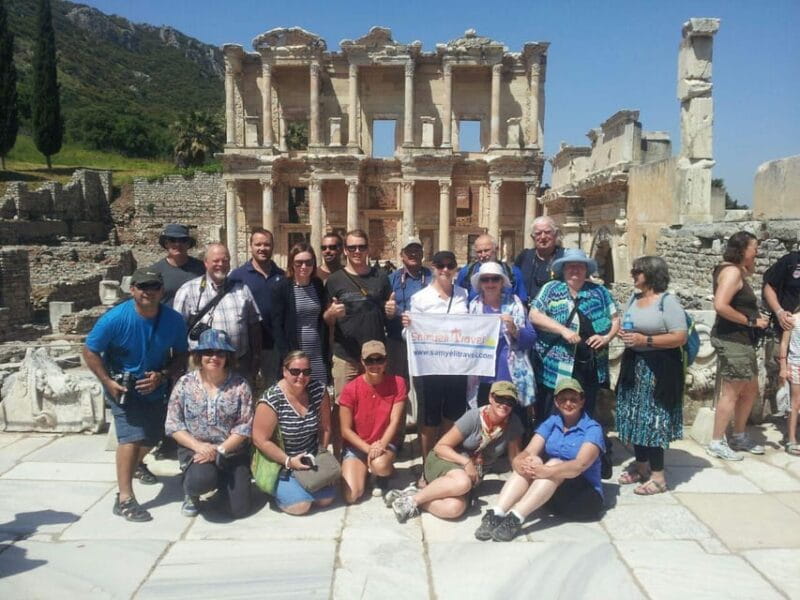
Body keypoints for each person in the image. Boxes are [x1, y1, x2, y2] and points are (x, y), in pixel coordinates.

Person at [83, 269, 188, 522]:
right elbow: (90, 350)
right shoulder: (116, 318)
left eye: (153, 286)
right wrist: (107, 381)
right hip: (123, 388)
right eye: (142, 286)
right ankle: (125, 498)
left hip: (155, 388)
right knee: (130, 438)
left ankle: (134, 465)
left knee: (152, 437)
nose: (147, 292)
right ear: (132, 289)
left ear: (162, 291)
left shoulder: (173, 320)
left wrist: (162, 375)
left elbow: (182, 355)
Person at [473, 378, 604, 542]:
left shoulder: (592, 429)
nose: (568, 403)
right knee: (532, 459)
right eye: (563, 399)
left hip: (583, 499)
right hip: (552, 494)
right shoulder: (553, 422)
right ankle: (496, 513)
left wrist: (547, 471)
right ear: (556, 402)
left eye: (573, 399)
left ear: (582, 401)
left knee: (555, 464)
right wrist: (521, 463)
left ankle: (516, 517)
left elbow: (579, 465)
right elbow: (528, 451)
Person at [389, 381, 523, 523]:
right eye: (500, 399)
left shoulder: (513, 423)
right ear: (491, 397)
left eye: (510, 401)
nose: (504, 404)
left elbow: (515, 458)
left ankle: (417, 494)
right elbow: (440, 447)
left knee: (454, 509)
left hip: (472, 474)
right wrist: (466, 463)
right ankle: (411, 502)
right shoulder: (474, 417)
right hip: (446, 460)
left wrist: (524, 477)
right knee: (462, 483)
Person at [615, 257, 688, 495]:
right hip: (634, 365)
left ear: (652, 274)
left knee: (653, 419)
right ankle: (641, 465)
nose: (633, 275)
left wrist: (645, 340)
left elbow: (680, 337)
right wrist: (625, 335)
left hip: (659, 369)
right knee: (634, 416)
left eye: (638, 271)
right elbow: (627, 326)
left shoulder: (668, 302)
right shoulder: (634, 299)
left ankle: (658, 477)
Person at [165, 329, 253, 518]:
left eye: (220, 353)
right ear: (199, 356)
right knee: (201, 480)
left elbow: (244, 426)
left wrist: (219, 450)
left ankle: (223, 482)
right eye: (208, 352)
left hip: (230, 451)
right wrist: (199, 446)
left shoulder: (240, 385)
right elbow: (173, 424)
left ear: (227, 357)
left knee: (238, 509)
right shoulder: (185, 383)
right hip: (197, 450)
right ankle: (191, 491)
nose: (214, 357)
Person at [528, 248, 619, 424]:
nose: (575, 270)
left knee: (586, 404)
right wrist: (563, 330)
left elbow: (615, 319)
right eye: (570, 266)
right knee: (552, 407)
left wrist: (606, 338)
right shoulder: (552, 289)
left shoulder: (600, 292)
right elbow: (534, 315)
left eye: (580, 266)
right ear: (563, 269)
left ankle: (582, 444)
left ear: (586, 269)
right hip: (555, 363)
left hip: (589, 363)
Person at [402, 250, 469, 478]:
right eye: (440, 265)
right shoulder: (420, 298)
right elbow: (408, 335)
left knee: (452, 415)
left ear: (455, 269)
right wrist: (408, 326)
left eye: (450, 265)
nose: (445, 270)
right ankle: (427, 465)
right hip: (429, 366)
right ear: (433, 267)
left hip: (457, 367)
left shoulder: (463, 295)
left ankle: (445, 460)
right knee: (429, 418)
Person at [707, 231, 769, 460]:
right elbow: (721, 305)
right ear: (742, 250)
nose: (757, 252)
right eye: (755, 248)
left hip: (742, 340)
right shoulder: (732, 272)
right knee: (731, 392)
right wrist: (752, 321)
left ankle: (739, 435)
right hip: (732, 340)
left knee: (750, 388)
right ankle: (716, 441)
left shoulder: (732, 270)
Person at [251, 351, 335, 515]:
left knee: (326, 500)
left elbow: (325, 427)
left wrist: (321, 456)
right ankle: (278, 490)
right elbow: (259, 440)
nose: (301, 376)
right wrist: (288, 461)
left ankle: (298, 486)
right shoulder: (272, 399)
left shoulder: (318, 391)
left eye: (306, 372)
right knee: (301, 507)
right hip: (282, 462)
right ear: (284, 371)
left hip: (309, 459)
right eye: (295, 371)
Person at [173, 243, 262, 382]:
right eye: (216, 261)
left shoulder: (242, 290)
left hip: (237, 364)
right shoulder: (188, 290)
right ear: (206, 263)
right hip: (201, 366)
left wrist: (256, 357)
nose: (221, 264)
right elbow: (176, 331)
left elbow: (254, 326)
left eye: (225, 260)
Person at [324, 229, 395, 401]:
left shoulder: (381, 277)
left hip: (375, 355)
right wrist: (331, 313)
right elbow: (326, 319)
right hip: (345, 354)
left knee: (375, 403)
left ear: (368, 249)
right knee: (343, 404)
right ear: (345, 250)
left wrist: (391, 312)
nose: (357, 251)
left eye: (361, 247)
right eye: (352, 247)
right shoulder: (334, 280)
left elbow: (387, 314)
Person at [467, 262, 536, 422]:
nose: (490, 283)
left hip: (511, 375)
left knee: (515, 426)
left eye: (495, 279)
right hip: (483, 377)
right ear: (480, 283)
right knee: (487, 424)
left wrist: (515, 330)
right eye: (485, 280)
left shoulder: (515, 304)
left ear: (501, 282)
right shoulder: (473, 307)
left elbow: (531, 339)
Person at [339, 341, 407, 502]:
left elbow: (395, 420)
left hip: (383, 444)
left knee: (380, 465)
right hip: (358, 445)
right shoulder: (350, 389)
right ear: (362, 362)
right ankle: (366, 469)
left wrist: (381, 445)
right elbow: (345, 430)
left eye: (379, 360)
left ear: (386, 360)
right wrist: (369, 449)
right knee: (351, 496)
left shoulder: (398, 383)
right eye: (370, 361)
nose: (375, 365)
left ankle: (381, 471)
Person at [229, 228, 285, 389]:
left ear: (273, 246)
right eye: (258, 244)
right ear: (251, 246)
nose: (262, 248)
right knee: (243, 389)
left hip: (273, 346)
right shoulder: (237, 276)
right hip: (246, 347)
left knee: (273, 389)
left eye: (266, 244)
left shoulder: (281, 275)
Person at [270, 243, 329, 386]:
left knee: (318, 392)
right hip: (294, 352)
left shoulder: (317, 284)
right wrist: (287, 357)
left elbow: (321, 319)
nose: (304, 267)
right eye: (299, 263)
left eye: (308, 262)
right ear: (291, 264)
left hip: (316, 350)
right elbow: (277, 325)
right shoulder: (282, 287)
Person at [386, 237, 431, 382]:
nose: (413, 254)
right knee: (398, 383)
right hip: (398, 340)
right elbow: (383, 307)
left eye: (417, 250)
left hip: (425, 342)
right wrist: (389, 312)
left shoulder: (432, 277)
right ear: (401, 255)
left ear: (422, 254)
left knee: (423, 385)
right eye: (409, 251)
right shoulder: (391, 279)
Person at [456, 234, 527, 304]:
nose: (483, 255)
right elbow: (458, 299)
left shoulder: (513, 272)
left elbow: (521, 301)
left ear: (496, 249)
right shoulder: (466, 273)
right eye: (479, 252)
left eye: (486, 250)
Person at [149, 224, 205, 307]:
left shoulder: (202, 268)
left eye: (183, 240)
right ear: (166, 244)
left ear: (188, 244)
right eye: (172, 240)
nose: (177, 244)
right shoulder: (155, 271)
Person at [515, 216, 566, 303]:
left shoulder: (565, 257)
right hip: (527, 309)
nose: (543, 237)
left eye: (547, 232)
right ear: (532, 237)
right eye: (538, 233)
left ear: (555, 234)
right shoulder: (524, 256)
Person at [778, 301, 800, 456]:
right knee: (795, 403)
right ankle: (791, 439)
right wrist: (783, 367)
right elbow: (784, 344)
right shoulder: (793, 319)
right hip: (796, 364)